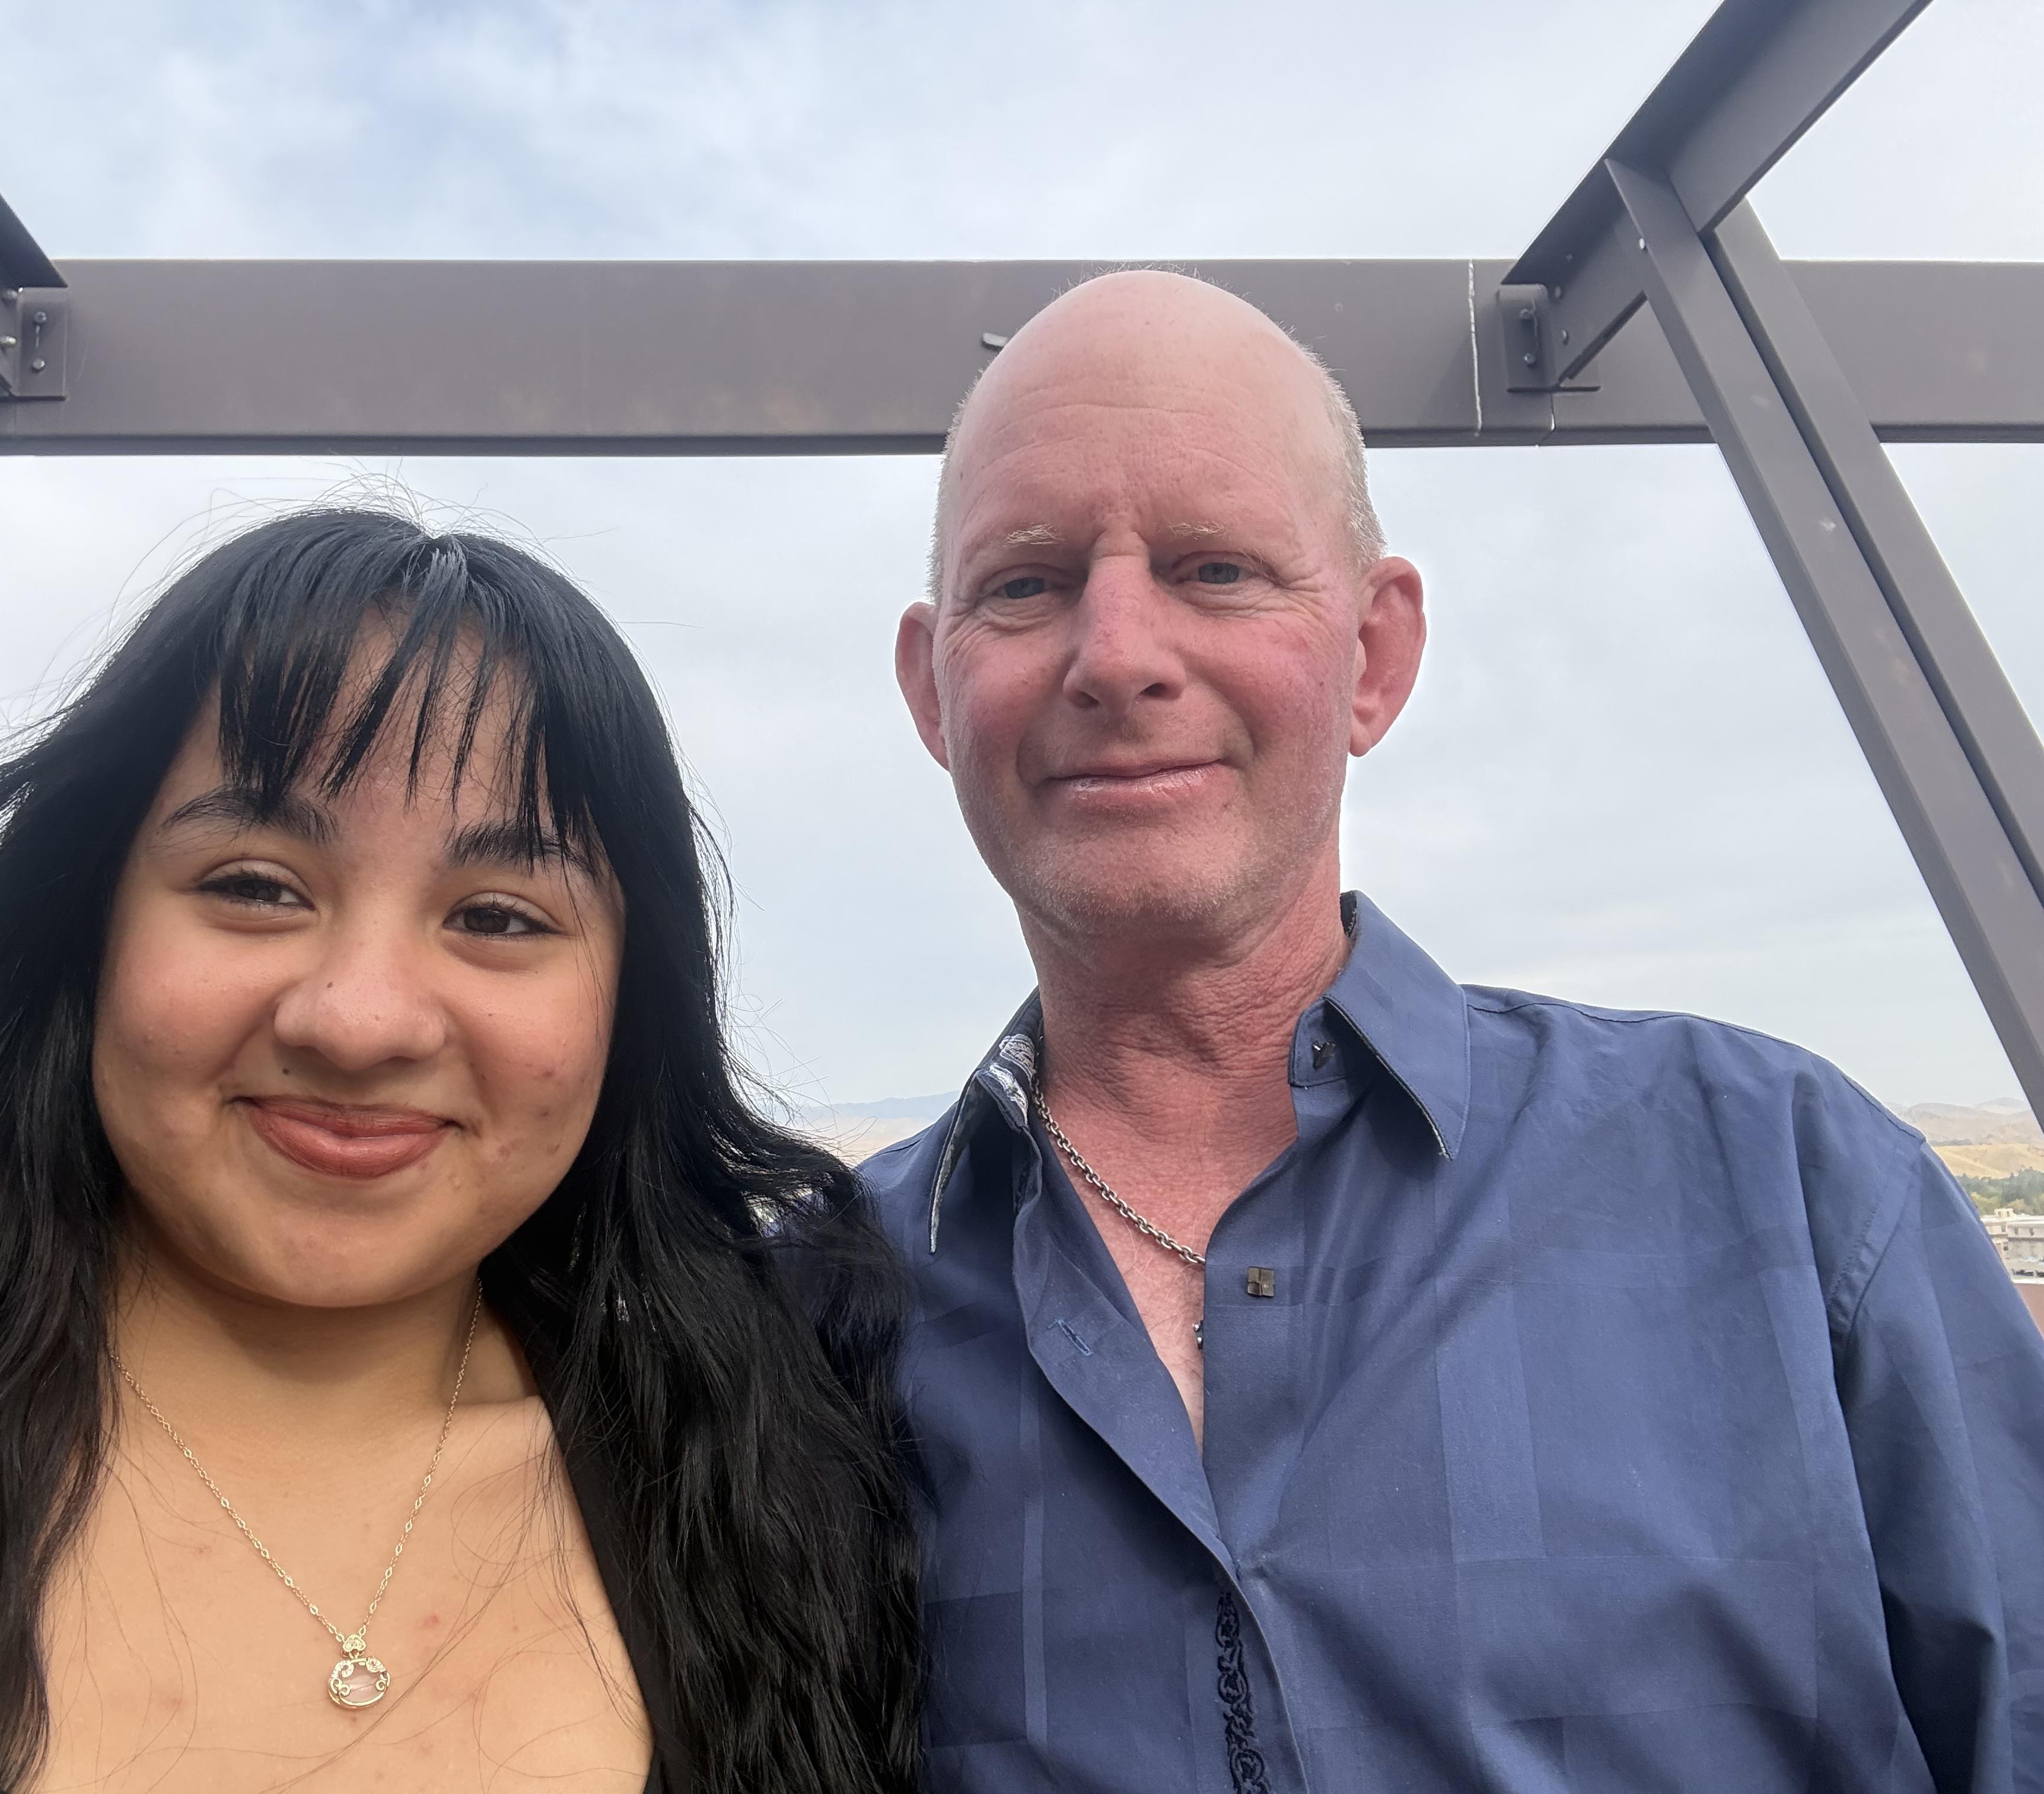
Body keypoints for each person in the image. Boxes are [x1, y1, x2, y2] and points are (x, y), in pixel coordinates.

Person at [869, 269, 2044, 1793]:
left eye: (1215, 569)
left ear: (1374, 655)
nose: (1116, 654)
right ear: (930, 687)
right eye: (1024, 584)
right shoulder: (797, 1325)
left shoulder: (1790, 1194)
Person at [0, 510, 922, 1794]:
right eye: (255, 885)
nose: (360, 1020)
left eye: (496, 915)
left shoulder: (771, 1501)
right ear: (86, 929)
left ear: (626, 1013)